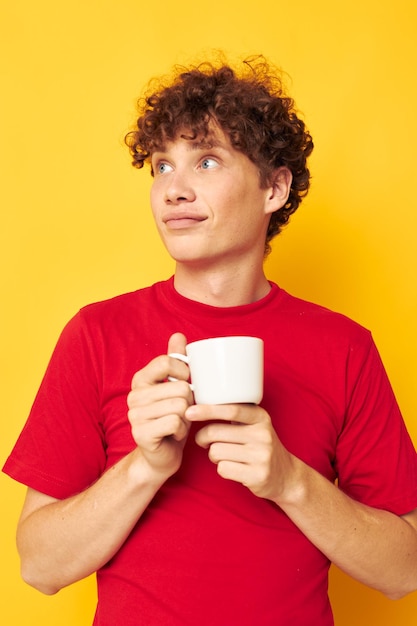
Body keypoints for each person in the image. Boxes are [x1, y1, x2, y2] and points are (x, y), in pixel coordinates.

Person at [3, 55, 417, 626]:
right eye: (161, 167)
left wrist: (289, 480)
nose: (174, 190)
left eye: (205, 160)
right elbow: (39, 568)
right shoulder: (96, 335)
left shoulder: (345, 348)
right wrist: (144, 468)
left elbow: (406, 571)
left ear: (273, 188)